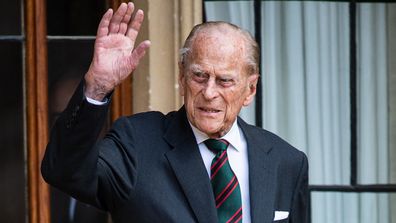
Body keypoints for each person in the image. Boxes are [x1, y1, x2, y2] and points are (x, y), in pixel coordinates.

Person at [41, 2, 308, 223]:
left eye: (225, 81)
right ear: (182, 77)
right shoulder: (137, 144)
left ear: (250, 90)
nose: (209, 92)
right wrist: (98, 86)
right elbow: (63, 172)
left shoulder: (286, 162)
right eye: (199, 76)